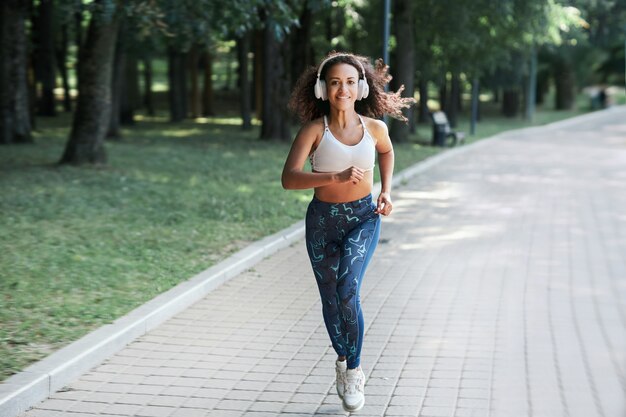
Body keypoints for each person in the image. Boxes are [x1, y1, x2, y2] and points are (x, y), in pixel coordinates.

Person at [281, 51, 414, 412]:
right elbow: (289, 179)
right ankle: (343, 358)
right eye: (336, 82)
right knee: (329, 298)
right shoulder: (313, 130)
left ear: (362, 87)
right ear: (324, 88)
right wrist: (333, 177)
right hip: (322, 221)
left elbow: (386, 153)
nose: (344, 89)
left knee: (347, 288)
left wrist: (386, 190)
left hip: (363, 217)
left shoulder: (374, 128)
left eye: (351, 82)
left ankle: (354, 370)